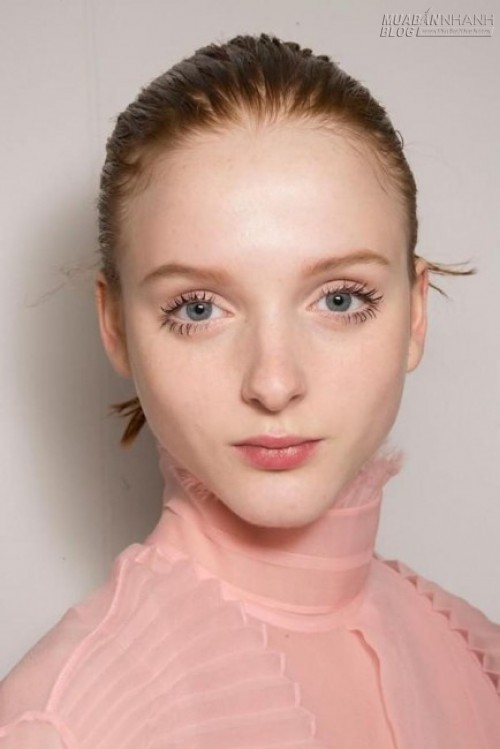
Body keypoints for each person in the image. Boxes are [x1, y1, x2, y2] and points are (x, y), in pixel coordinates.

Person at [0, 32, 499, 748]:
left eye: (339, 299)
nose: (273, 383)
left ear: (415, 313)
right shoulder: (63, 724)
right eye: (199, 308)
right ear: (115, 326)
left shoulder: (477, 655)